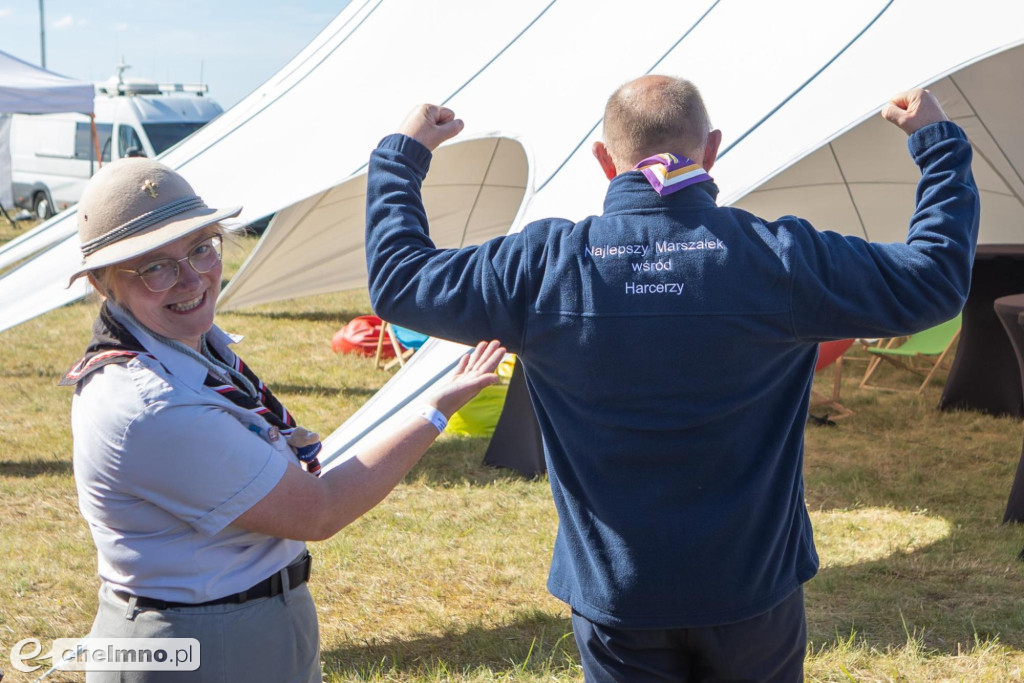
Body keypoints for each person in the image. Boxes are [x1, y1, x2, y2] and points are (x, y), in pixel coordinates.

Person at [364, 76, 979, 681]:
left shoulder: (544, 265)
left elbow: (399, 279)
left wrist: (403, 156)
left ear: (605, 160)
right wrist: (938, 142)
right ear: (710, 149)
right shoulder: (779, 257)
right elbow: (935, 279)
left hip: (619, 596)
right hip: (751, 590)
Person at [61, 157, 505, 682]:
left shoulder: (182, 348)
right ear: (103, 283)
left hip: (240, 619)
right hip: (198, 640)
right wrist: (434, 410)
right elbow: (319, 511)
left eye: (201, 247)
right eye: (155, 266)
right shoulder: (152, 403)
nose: (191, 278)